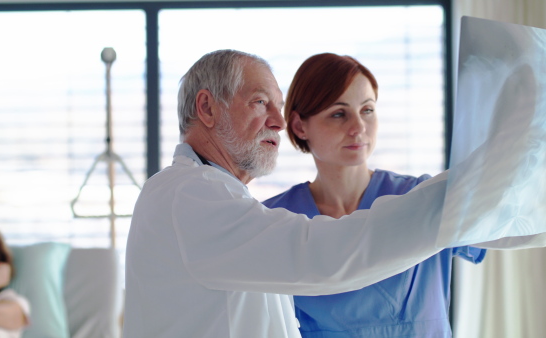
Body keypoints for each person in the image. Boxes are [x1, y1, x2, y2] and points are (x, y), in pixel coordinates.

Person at [123, 49, 545, 338]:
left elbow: (503, 223)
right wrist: (492, 162)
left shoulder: (225, 203)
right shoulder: (192, 196)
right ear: (207, 108)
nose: (277, 121)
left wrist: (512, 168)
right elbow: (322, 254)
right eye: (259, 103)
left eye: (367, 110)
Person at [262, 53, 485, 338]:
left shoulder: (422, 198)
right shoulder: (273, 220)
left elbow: (505, 219)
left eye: (367, 110)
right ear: (298, 126)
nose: (359, 128)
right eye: (339, 114)